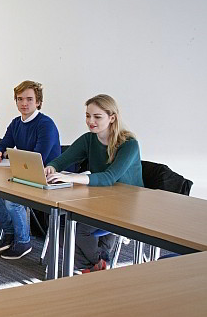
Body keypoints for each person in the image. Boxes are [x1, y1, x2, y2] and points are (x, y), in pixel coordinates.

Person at [44, 94, 143, 272]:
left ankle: (94, 263)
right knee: (66, 229)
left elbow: (109, 177)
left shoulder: (129, 144)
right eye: (88, 116)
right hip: (101, 197)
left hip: (126, 204)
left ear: (112, 118)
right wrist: (51, 167)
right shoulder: (89, 139)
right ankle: (96, 265)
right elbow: (61, 160)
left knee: (79, 230)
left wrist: (72, 178)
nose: (91, 121)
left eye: (97, 117)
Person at [0, 80, 62, 260]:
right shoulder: (16, 123)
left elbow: (38, 156)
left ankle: (23, 241)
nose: (24, 104)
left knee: (13, 201)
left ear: (38, 102)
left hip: (45, 177)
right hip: (24, 174)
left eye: (29, 99)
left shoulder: (46, 124)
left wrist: (9, 156)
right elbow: (4, 143)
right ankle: (10, 232)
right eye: (20, 99)